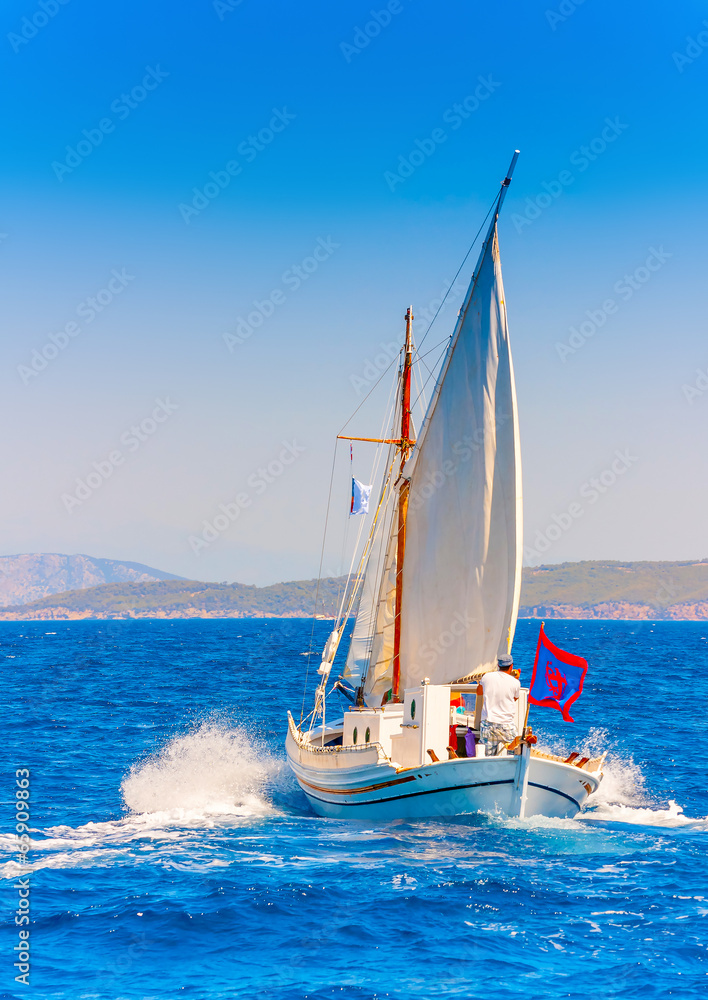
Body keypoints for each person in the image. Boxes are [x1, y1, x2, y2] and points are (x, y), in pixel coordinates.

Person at [476, 654, 520, 756]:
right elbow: (515, 698)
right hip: (507, 724)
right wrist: (516, 678)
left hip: (488, 724)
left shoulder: (487, 677)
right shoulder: (515, 682)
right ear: (511, 666)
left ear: (498, 665)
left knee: (487, 757)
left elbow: (479, 692)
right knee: (515, 754)